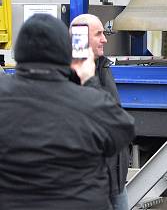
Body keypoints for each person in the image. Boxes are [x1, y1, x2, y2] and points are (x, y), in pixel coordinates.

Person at [0, 13, 135, 210]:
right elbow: (123, 130)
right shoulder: (86, 101)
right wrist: (89, 80)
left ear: (19, 52)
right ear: (65, 52)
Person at [70, 14, 132, 210]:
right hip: (90, 185)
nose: (105, 39)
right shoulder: (67, 74)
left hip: (116, 182)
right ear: (79, 38)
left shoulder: (103, 67)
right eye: (98, 34)